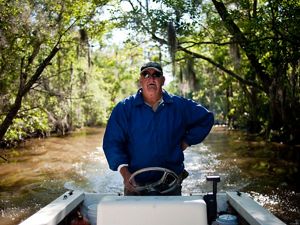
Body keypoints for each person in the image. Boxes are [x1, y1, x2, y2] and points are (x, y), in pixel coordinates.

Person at [103, 61, 214, 196]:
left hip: (170, 183)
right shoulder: (124, 108)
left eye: (156, 74)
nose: (151, 78)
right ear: (140, 80)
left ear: (163, 80)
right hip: (135, 183)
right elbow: (112, 143)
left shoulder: (179, 106)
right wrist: (125, 173)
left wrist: (186, 141)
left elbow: (206, 118)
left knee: (169, 217)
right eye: (146, 74)